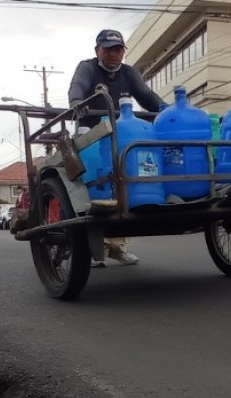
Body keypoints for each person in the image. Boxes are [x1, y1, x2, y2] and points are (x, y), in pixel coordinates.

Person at [68, 28, 167, 267]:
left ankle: (117, 246)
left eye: (118, 49)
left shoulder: (128, 72)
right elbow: (77, 87)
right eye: (109, 49)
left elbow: (146, 95)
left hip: (119, 135)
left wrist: (165, 109)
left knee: (123, 183)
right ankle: (94, 245)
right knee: (98, 184)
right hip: (91, 136)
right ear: (97, 50)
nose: (114, 54)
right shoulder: (87, 68)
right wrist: (77, 102)